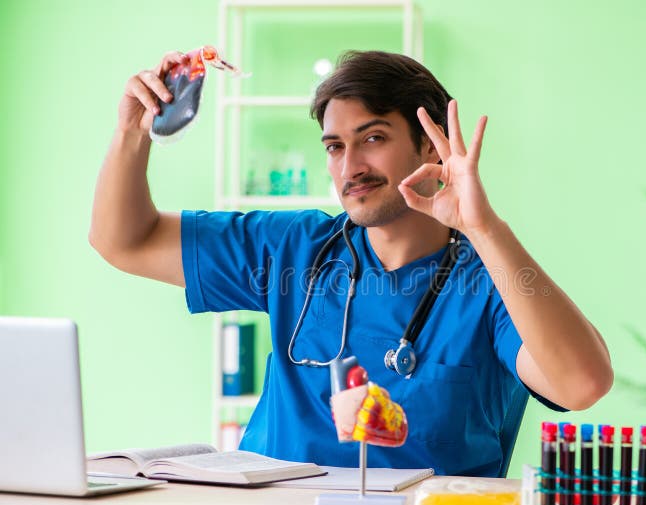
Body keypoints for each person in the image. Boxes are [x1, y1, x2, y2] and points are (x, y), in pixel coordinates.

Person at [90, 49, 613, 477]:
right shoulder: (292, 248)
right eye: (335, 147)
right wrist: (131, 132)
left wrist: (485, 228)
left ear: (431, 148)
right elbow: (125, 241)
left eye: (373, 138)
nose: (350, 167)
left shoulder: (490, 283)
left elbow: (582, 385)